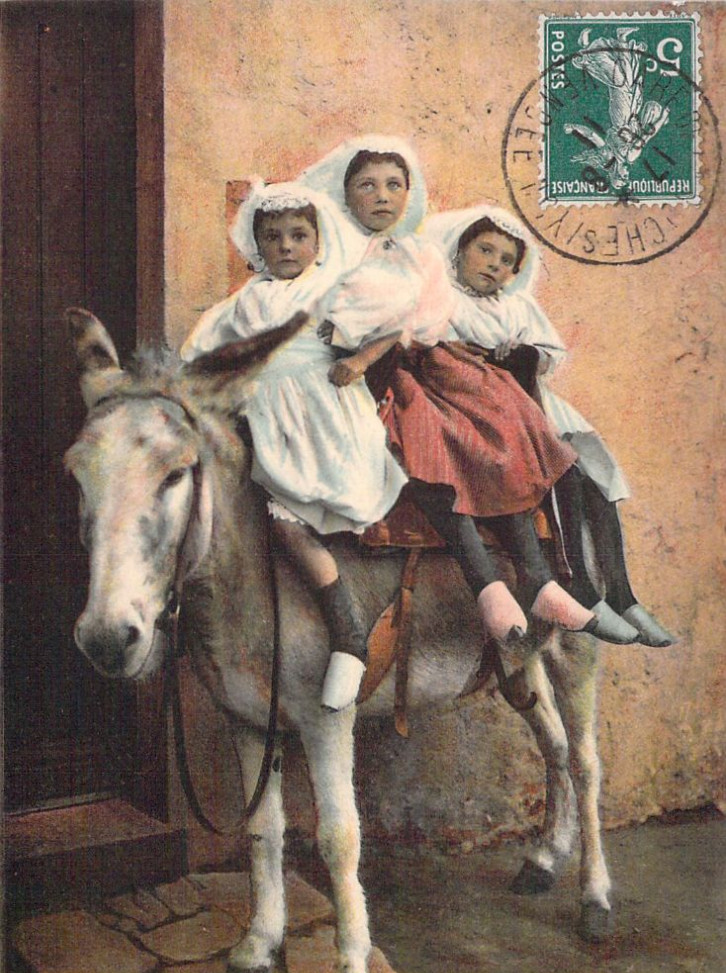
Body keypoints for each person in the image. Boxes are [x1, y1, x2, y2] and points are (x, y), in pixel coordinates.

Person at [303, 138, 639, 646]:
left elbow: (432, 313)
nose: (381, 196)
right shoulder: (328, 253)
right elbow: (331, 321)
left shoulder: (418, 252)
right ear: (346, 194)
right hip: (378, 371)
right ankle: (491, 587)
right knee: (426, 426)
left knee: (499, 417)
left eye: (394, 185)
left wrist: (431, 338)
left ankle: (540, 577)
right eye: (366, 185)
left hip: (430, 359)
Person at [181, 180, 407, 709]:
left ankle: (353, 638)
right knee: (271, 517)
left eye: (298, 236)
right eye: (274, 237)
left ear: (317, 242)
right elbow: (201, 352)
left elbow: (394, 325)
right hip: (270, 418)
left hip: (328, 417)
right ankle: (341, 630)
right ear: (258, 246)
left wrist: (358, 361)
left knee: (334, 507)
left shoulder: (330, 287)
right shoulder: (247, 300)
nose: (286, 247)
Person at [425, 203, 674, 646]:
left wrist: (528, 355)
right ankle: (579, 584)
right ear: (460, 249)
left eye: (506, 262)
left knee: (596, 473)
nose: (494, 266)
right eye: (484, 251)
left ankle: (623, 592)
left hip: (526, 396)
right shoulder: (442, 299)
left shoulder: (516, 305)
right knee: (565, 472)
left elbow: (551, 353)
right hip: (475, 402)